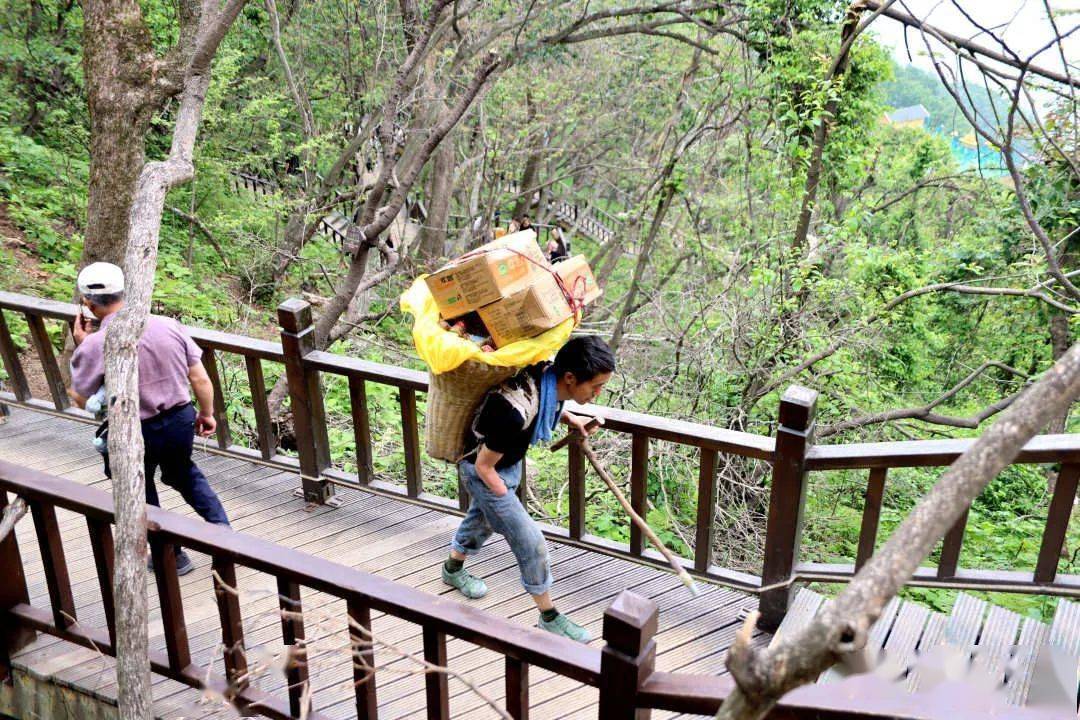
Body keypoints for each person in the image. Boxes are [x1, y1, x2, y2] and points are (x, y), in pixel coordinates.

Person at [442, 336, 616, 642]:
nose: (598, 393)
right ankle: (549, 615)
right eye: (595, 386)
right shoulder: (512, 413)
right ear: (571, 378)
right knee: (530, 541)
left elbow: (551, 404)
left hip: (504, 463)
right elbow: (483, 466)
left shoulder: (548, 377)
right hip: (483, 469)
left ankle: (453, 569)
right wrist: (502, 499)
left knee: (480, 521)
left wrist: (570, 417)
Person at [68, 262, 230, 576]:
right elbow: (200, 379)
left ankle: (171, 557)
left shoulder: (96, 343)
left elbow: (81, 397)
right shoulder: (168, 325)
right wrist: (207, 414)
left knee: (139, 486)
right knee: (183, 473)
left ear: (88, 304)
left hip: (134, 427)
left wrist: (84, 343)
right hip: (180, 419)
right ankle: (224, 536)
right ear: (124, 291)